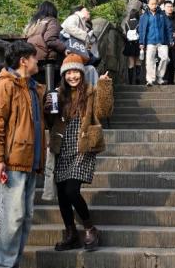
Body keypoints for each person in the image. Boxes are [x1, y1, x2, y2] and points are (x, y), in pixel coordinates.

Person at [0, 41, 46, 268]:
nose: (38, 61)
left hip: (30, 162)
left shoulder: (32, 87)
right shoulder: (5, 85)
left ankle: (12, 264)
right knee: (10, 220)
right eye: (34, 57)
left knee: (24, 219)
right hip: (11, 163)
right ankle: (1, 266)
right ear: (24, 60)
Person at [45, 54, 114, 252]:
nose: (73, 76)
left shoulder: (91, 92)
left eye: (76, 72)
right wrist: (48, 108)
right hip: (62, 145)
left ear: (82, 73)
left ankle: (90, 228)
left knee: (72, 190)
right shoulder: (58, 94)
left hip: (83, 146)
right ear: (63, 75)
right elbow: (50, 121)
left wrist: (104, 86)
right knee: (63, 195)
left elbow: (104, 112)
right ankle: (71, 233)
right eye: (68, 73)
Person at [24, 1, 66, 89]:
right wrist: (65, 48)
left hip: (33, 60)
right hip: (48, 62)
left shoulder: (34, 24)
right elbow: (50, 40)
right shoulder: (52, 21)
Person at [139, 0, 173, 86]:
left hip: (162, 41)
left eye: (155, 4)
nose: (154, 5)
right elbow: (141, 30)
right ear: (148, 4)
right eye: (152, 4)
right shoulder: (144, 16)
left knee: (165, 58)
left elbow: (168, 27)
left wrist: (171, 39)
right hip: (150, 41)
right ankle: (150, 79)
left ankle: (160, 76)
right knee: (149, 60)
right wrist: (141, 42)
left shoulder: (162, 14)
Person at [122, 7, 141, 84]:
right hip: (137, 44)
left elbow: (126, 34)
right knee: (138, 62)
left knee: (131, 63)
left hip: (129, 44)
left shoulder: (127, 23)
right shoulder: (139, 23)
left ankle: (130, 82)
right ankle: (137, 79)